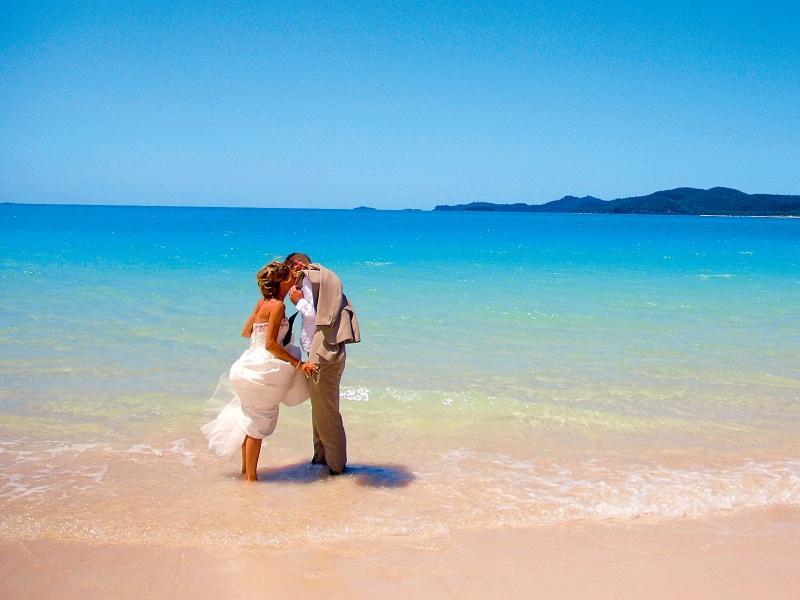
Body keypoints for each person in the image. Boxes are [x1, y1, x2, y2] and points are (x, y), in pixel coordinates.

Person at [201, 260, 317, 481]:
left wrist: (267, 330)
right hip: (264, 369)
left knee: (251, 421)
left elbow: (247, 332)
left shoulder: (262, 303)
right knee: (258, 424)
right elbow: (271, 345)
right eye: (290, 277)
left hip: (247, 365)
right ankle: (251, 480)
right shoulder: (278, 306)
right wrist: (298, 364)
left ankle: (247, 472)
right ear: (282, 282)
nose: (294, 278)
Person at [286, 252, 360, 475]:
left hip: (323, 354)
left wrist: (297, 300)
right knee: (321, 409)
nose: (290, 278)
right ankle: (321, 460)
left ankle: (337, 468)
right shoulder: (317, 279)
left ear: (297, 265)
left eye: (289, 271)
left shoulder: (309, 279)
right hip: (324, 352)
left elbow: (315, 316)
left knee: (326, 411)